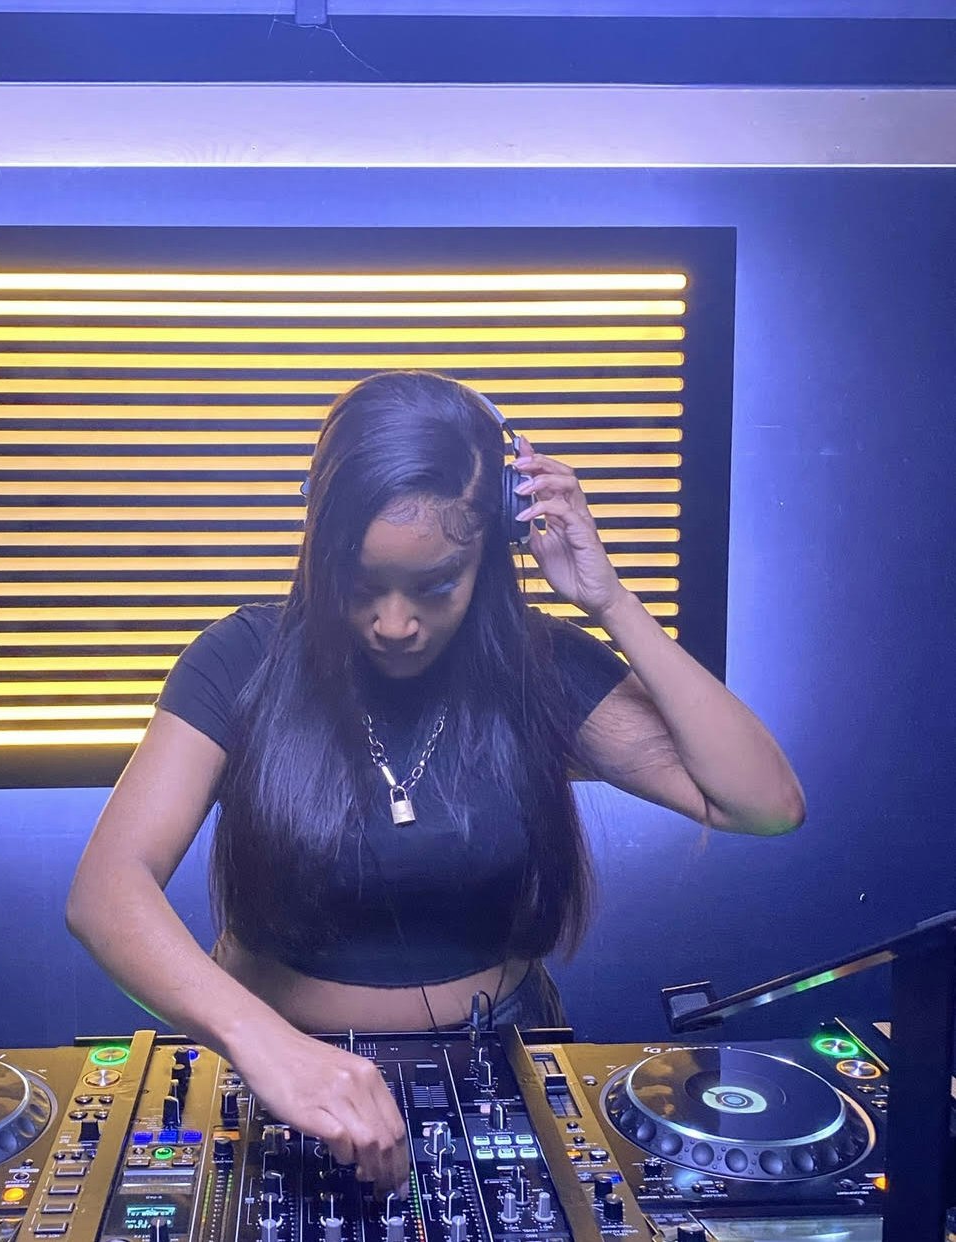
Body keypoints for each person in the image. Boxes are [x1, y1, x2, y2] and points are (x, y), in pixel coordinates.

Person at [66, 369, 804, 1198]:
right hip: (278, 1070)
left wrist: (609, 599)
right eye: (360, 583)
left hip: (499, 1059)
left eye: (435, 585)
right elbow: (106, 890)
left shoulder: (540, 664)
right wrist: (263, 1043)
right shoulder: (240, 658)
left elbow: (763, 804)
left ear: (493, 552)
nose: (394, 623)